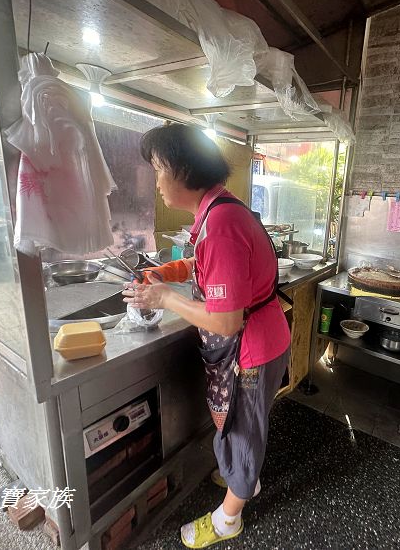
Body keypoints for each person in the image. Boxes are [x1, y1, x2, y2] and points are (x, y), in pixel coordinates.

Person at [123, 124, 291, 548]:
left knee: (244, 431)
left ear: (182, 170)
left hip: (250, 348)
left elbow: (226, 320)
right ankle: (240, 478)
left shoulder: (221, 226)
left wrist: (163, 297)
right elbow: (199, 263)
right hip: (260, 340)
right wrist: (166, 273)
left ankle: (228, 518)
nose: (156, 180)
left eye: (159, 169)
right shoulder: (216, 210)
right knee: (239, 424)